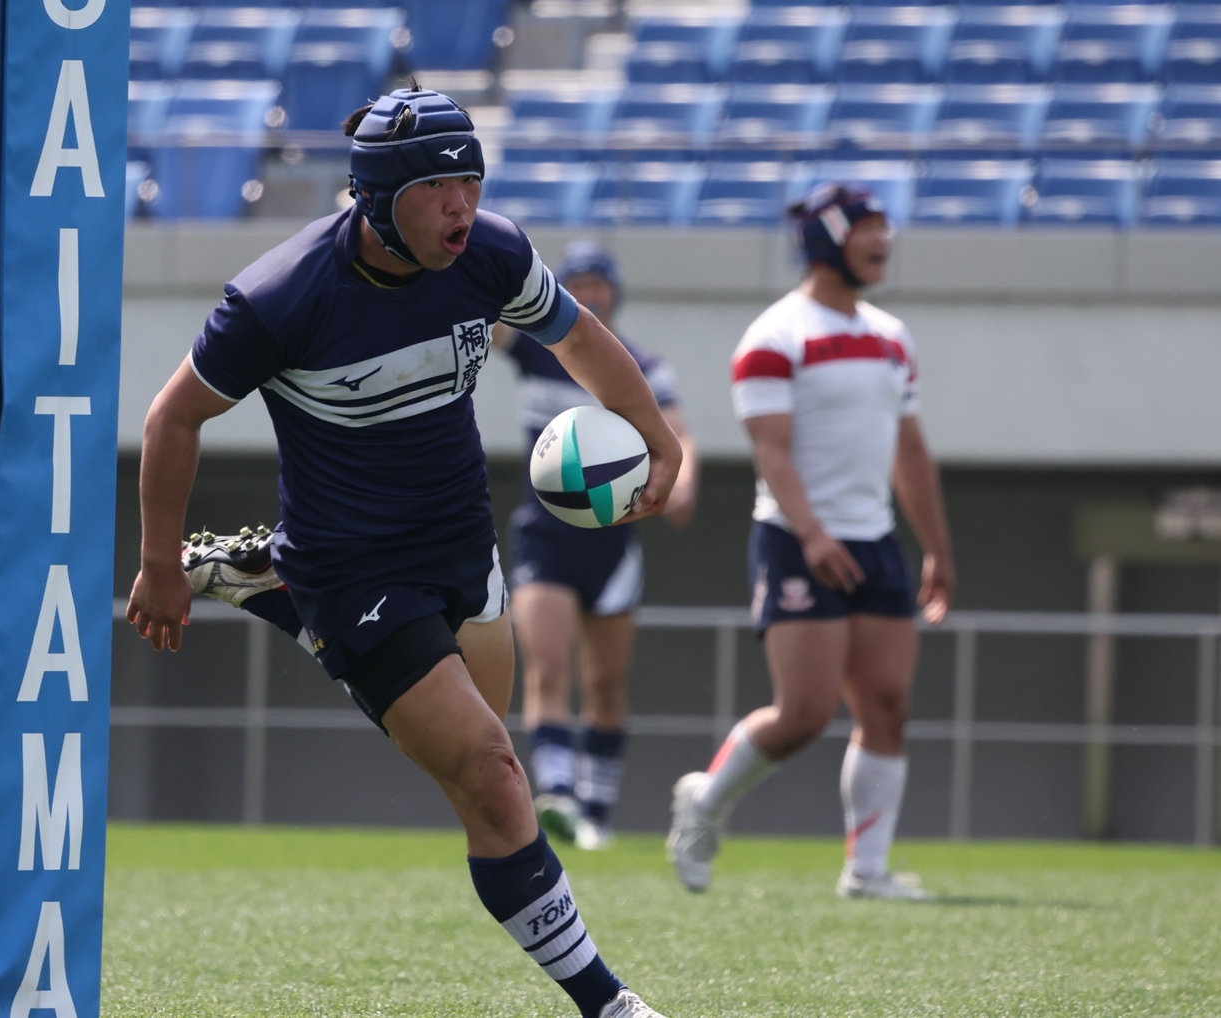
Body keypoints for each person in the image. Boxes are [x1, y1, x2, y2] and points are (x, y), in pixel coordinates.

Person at [125, 87, 683, 1018]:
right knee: (496, 780)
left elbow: (579, 337)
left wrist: (657, 436)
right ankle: (610, 1004)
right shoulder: (280, 297)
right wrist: (154, 566)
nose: (461, 205)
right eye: (436, 188)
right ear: (378, 199)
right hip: (355, 568)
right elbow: (171, 418)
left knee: (482, 770)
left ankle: (277, 588)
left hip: (462, 544)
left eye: (471, 182)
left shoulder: (491, 252)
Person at [665, 183, 955, 900]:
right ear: (826, 240)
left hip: (875, 540)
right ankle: (704, 802)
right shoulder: (774, 337)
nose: (884, 241)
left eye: (886, 227)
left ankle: (868, 871)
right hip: (795, 541)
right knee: (804, 714)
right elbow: (772, 452)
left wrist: (938, 549)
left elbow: (911, 451)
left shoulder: (892, 336)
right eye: (868, 228)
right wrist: (815, 535)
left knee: (887, 705)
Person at [495, 241, 698, 851]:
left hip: (613, 546)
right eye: (577, 282)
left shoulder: (642, 367)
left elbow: (678, 433)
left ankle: (597, 815)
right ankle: (558, 796)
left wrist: (683, 484)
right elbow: (487, 319)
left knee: (606, 683)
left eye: (598, 283)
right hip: (546, 539)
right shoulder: (536, 352)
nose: (590, 293)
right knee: (549, 666)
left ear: (615, 292)